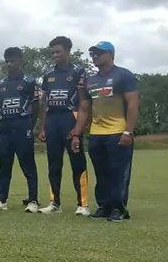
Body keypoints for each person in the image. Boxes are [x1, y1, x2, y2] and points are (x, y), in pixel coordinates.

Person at [72, 41, 138, 222]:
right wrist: (77, 134)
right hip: (96, 134)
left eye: (99, 53)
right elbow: (84, 109)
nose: (95, 57)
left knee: (118, 172)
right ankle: (104, 206)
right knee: (101, 173)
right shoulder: (90, 81)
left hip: (118, 132)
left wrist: (128, 132)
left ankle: (119, 208)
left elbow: (133, 104)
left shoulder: (123, 75)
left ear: (111, 55)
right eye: (92, 54)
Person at [38, 36, 90, 215]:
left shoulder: (78, 71)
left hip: (71, 118)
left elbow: (84, 102)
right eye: (52, 52)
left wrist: (78, 128)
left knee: (77, 162)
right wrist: (43, 127)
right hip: (53, 120)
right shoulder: (48, 74)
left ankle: (82, 204)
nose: (55, 55)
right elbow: (44, 103)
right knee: (54, 163)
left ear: (68, 51)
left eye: (58, 51)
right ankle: (55, 203)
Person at [0, 47, 40, 212]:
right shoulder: (1, 85)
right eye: (7, 61)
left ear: (20, 61)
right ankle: (1, 200)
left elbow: (36, 106)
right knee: (4, 165)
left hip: (22, 127)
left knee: (28, 165)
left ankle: (33, 201)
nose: (9, 64)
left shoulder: (29, 82)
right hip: (5, 129)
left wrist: (30, 125)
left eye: (13, 61)